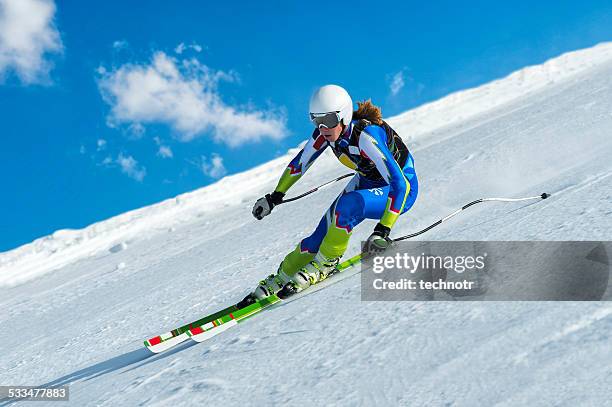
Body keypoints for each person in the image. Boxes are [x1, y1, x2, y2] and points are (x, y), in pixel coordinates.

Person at [245, 84, 418, 303]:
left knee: (348, 205)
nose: (323, 127)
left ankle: (326, 263)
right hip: (365, 182)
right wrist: (274, 197)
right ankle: (281, 277)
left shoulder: (366, 136)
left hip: (401, 191)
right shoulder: (324, 135)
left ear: (343, 116)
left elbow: (400, 184)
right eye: (316, 120)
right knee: (317, 238)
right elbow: (300, 163)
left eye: (328, 120)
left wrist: (382, 230)